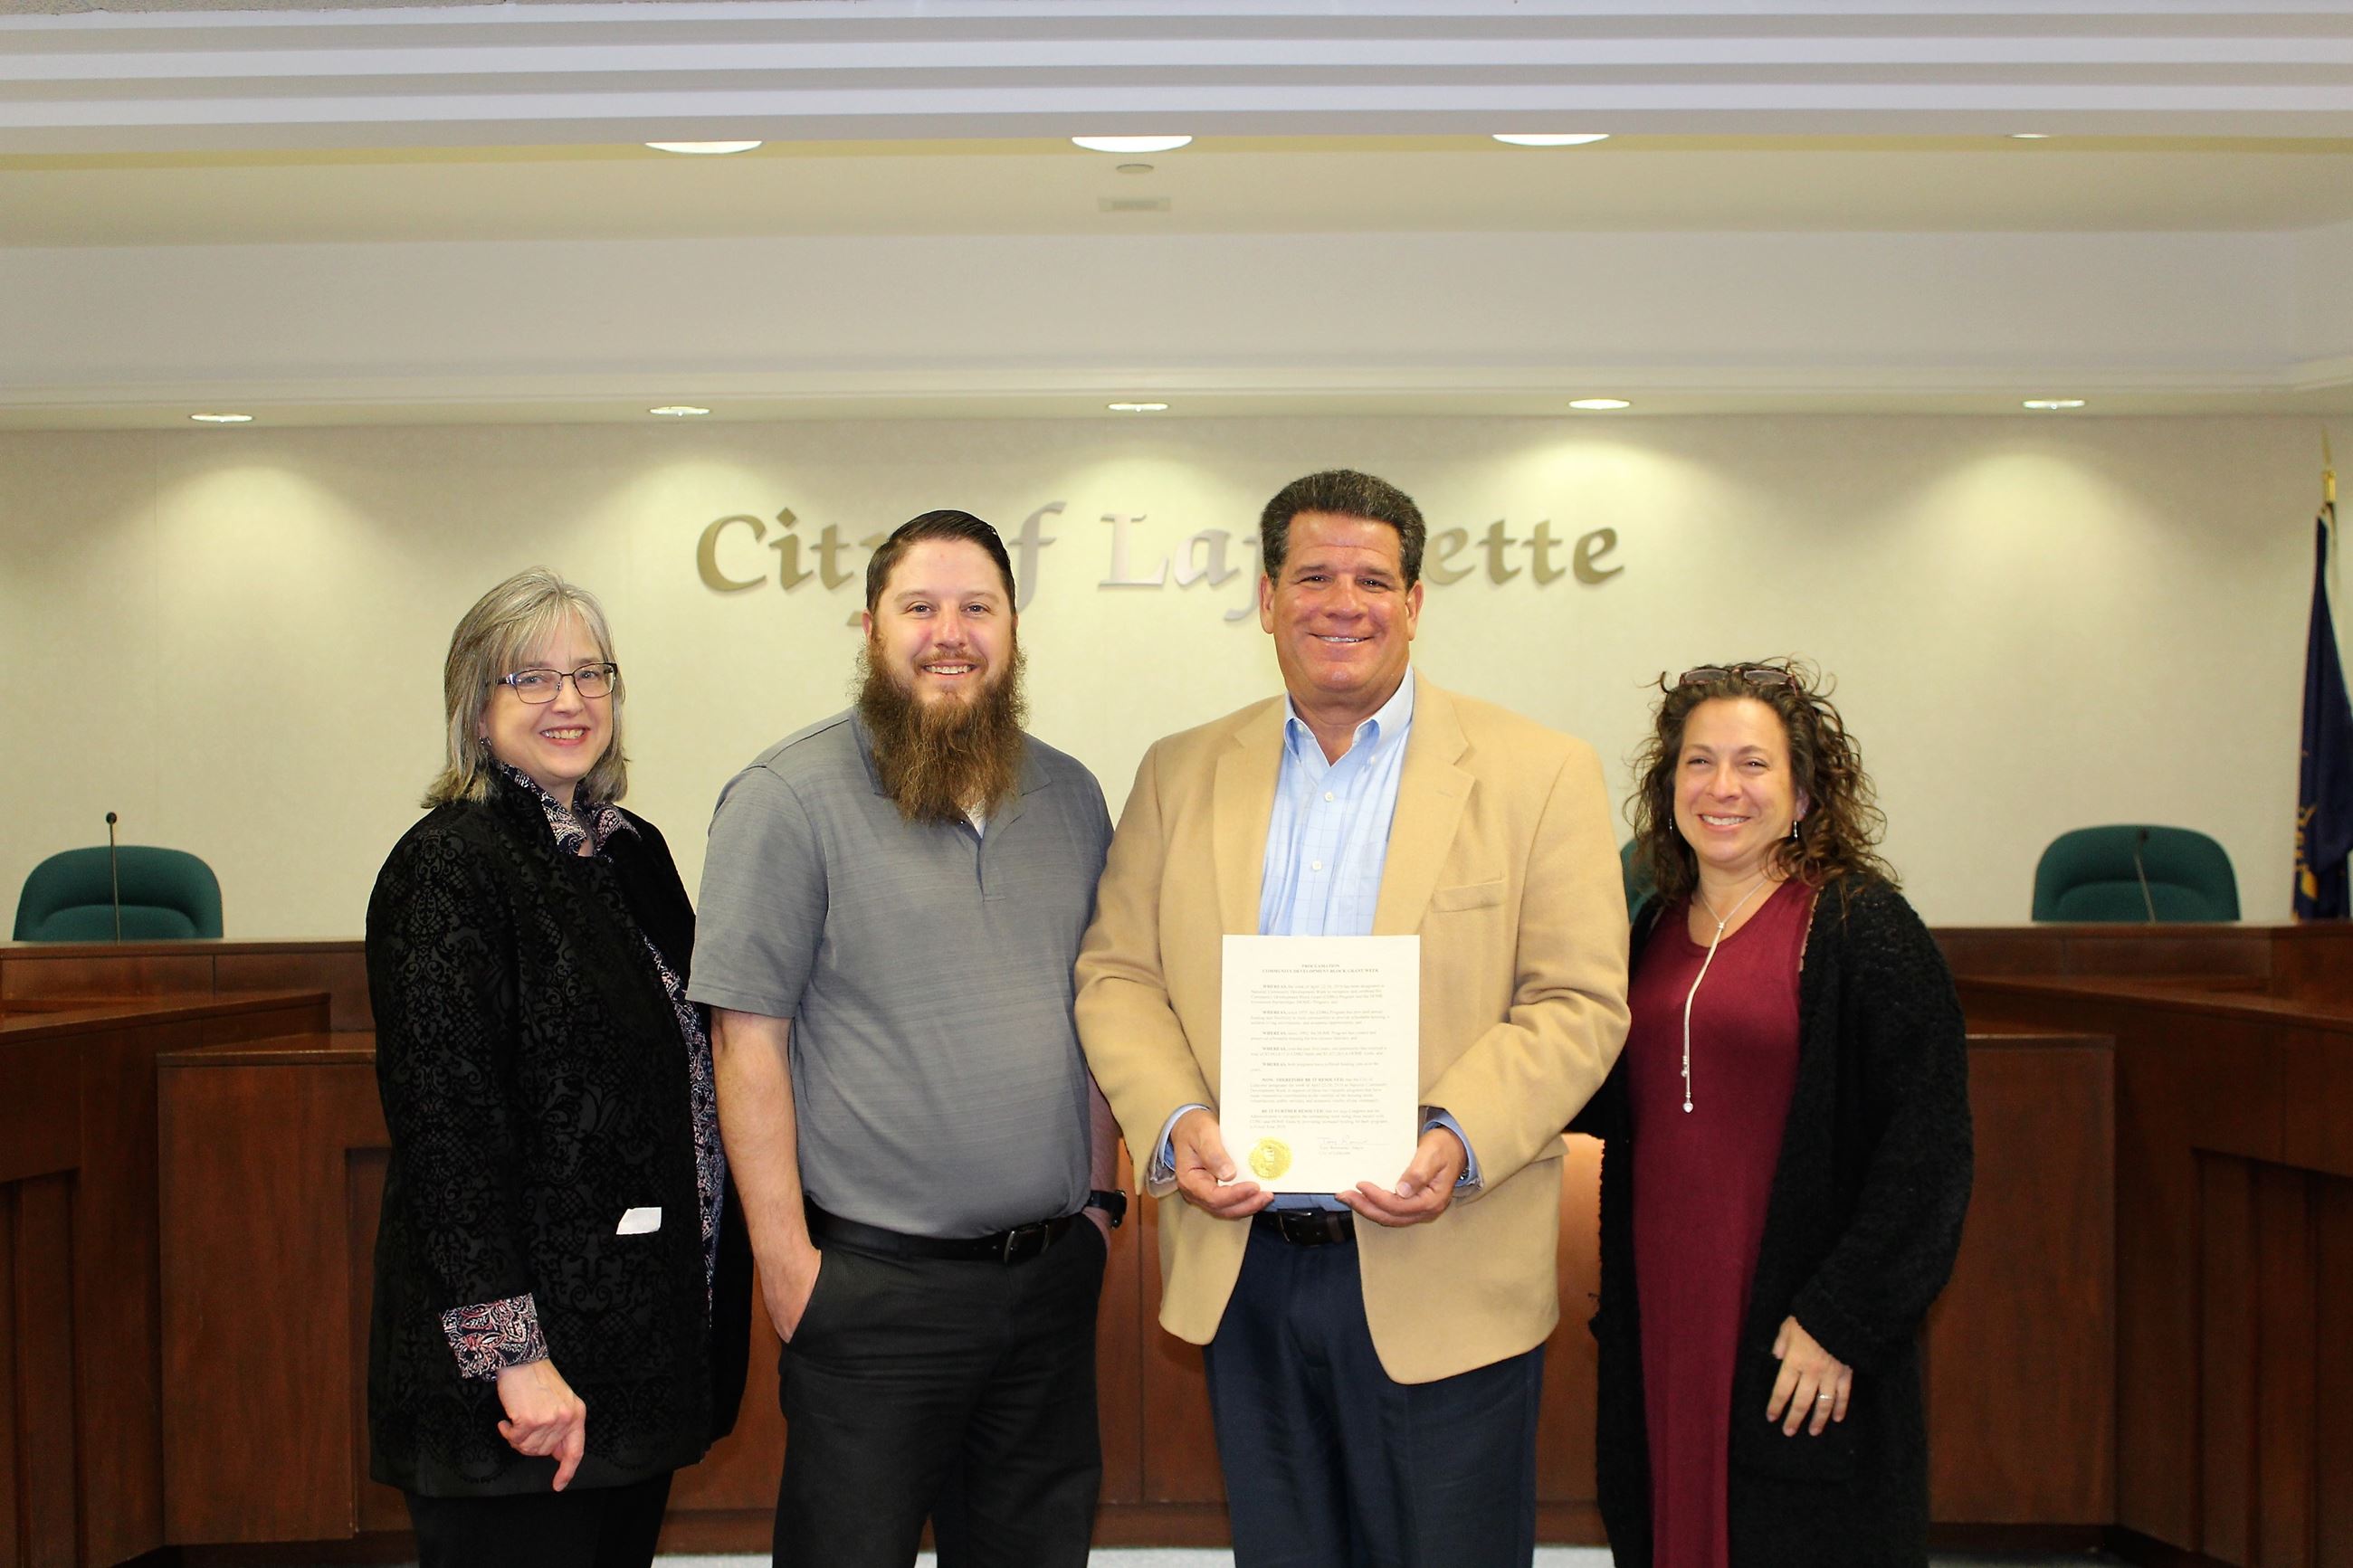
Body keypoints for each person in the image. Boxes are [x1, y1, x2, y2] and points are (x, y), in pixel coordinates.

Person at [1074, 469, 1631, 1567]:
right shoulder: (1178, 771)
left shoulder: (1539, 772)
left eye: (1373, 579)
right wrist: (1176, 1117)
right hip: (1249, 1261)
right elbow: (1117, 975)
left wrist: (1456, 1136)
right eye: (1314, 575)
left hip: (1447, 1258)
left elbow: (1575, 1000)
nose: (1344, 602)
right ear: (1268, 597)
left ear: (1415, 602)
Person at [689, 509, 1121, 1568]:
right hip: (874, 1297)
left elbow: (1108, 1001)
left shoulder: (1070, 794)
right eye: (918, 607)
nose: (949, 632)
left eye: (977, 606)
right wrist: (789, 1264)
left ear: (1014, 627)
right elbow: (745, 1041)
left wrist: (1103, 1204)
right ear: (870, 628)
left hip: (1049, 1284)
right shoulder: (784, 799)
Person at [365, 569, 751, 1568]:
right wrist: (514, 1359)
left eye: (590, 672)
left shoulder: (632, 851)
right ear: (475, 703)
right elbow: (448, 1135)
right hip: (517, 1394)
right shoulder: (449, 864)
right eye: (530, 677)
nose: (570, 699)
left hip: (629, 1359)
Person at [1579, 661, 1974, 1568]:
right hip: (1663, 1311)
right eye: (1697, 761)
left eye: (1752, 764)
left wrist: (1842, 1317)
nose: (1722, 787)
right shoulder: (1649, 930)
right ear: (1666, 784)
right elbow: (1606, 1092)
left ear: (1801, 792)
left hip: (1792, 1317)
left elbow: (1926, 1152)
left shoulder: (1860, 928)